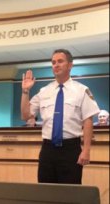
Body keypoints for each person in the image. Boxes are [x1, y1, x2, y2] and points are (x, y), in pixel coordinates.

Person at [21, 49, 100, 184]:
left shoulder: (82, 90)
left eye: (60, 61)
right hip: (48, 149)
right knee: (46, 192)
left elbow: (88, 121)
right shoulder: (44, 91)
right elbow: (25, 115)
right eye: (53, 62)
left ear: (70, 65)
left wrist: (86, 150)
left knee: (70, 193)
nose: (56, 65)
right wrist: (25, 91)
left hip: (70, 149)